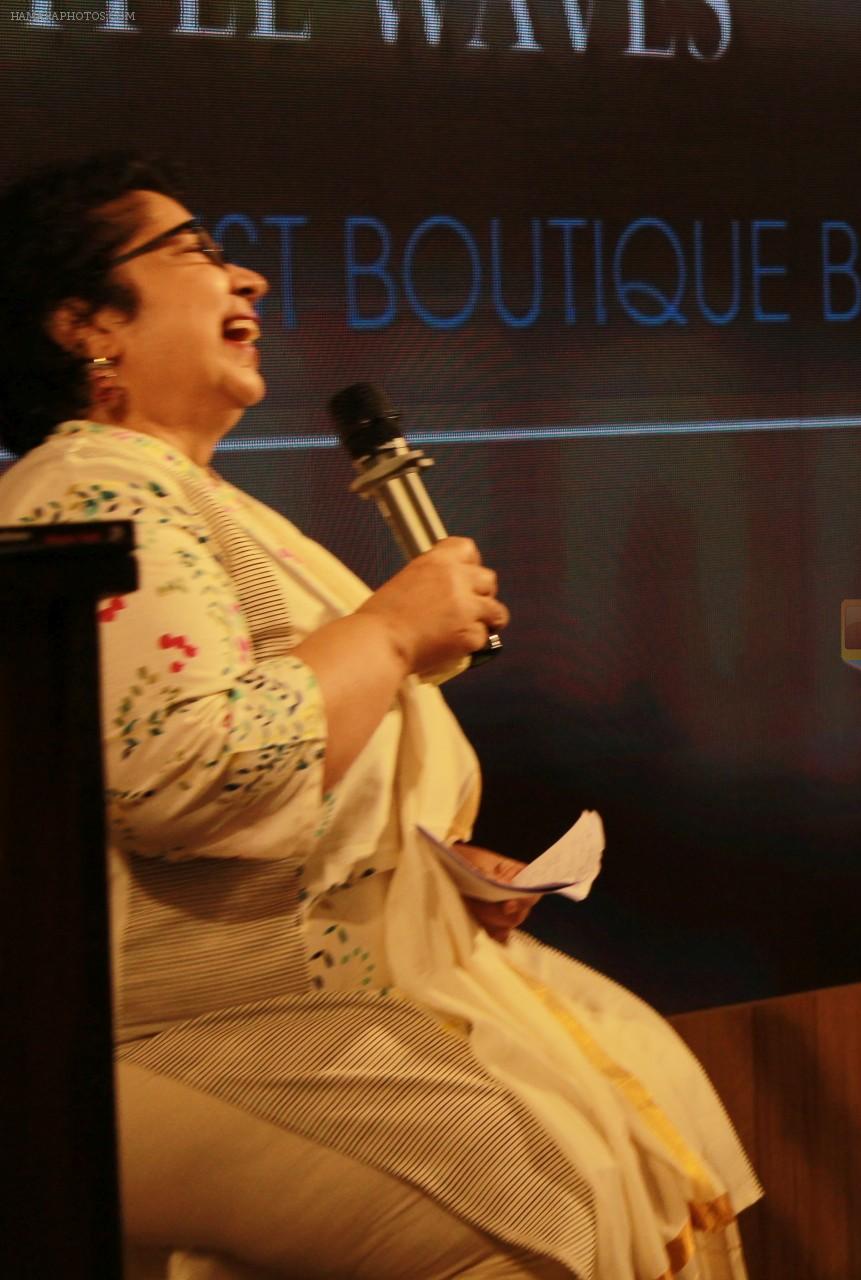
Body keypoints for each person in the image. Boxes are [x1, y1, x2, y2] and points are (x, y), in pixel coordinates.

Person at [0, 153, 758, 1279]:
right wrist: (395, 629)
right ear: (83, 323)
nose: (245, 278)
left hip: (298, 995)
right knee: (541, 1200)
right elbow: (184, 773)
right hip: (176, 1026)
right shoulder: (91, 492)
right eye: (198, 252)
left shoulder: (175, 491)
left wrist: (428, 871)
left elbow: (274, 761)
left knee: (642, 1111)